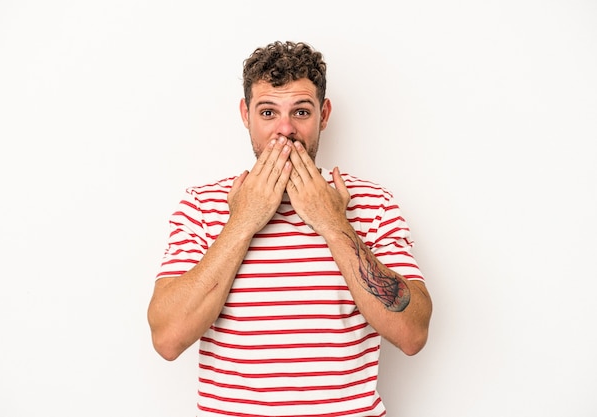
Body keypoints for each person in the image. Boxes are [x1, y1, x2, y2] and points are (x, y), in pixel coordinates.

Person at [147, 40, 433, 416]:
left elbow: (412, 334)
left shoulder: (374, 203)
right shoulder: (202, 205)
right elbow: (167, 338)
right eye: (268, 112)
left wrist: (333, 222)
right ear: (245, 114)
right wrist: (244, 220)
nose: (285, 130)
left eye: (301, 111)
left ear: (324, 114)